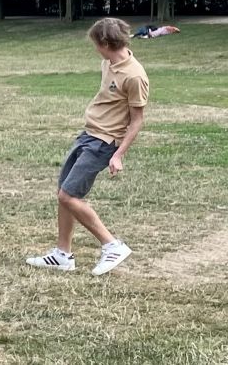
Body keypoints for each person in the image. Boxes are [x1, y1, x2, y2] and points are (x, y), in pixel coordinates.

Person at [26, 17, 149, 276]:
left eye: (96, 44)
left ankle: (112, 245)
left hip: (104, 143)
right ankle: (62, 255)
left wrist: (118, 155)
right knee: (64, 191)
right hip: (88, 135)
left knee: (68, 196)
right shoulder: (108, 62)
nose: (95, 49)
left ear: (105, 43)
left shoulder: (135, 76)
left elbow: (137, 120)